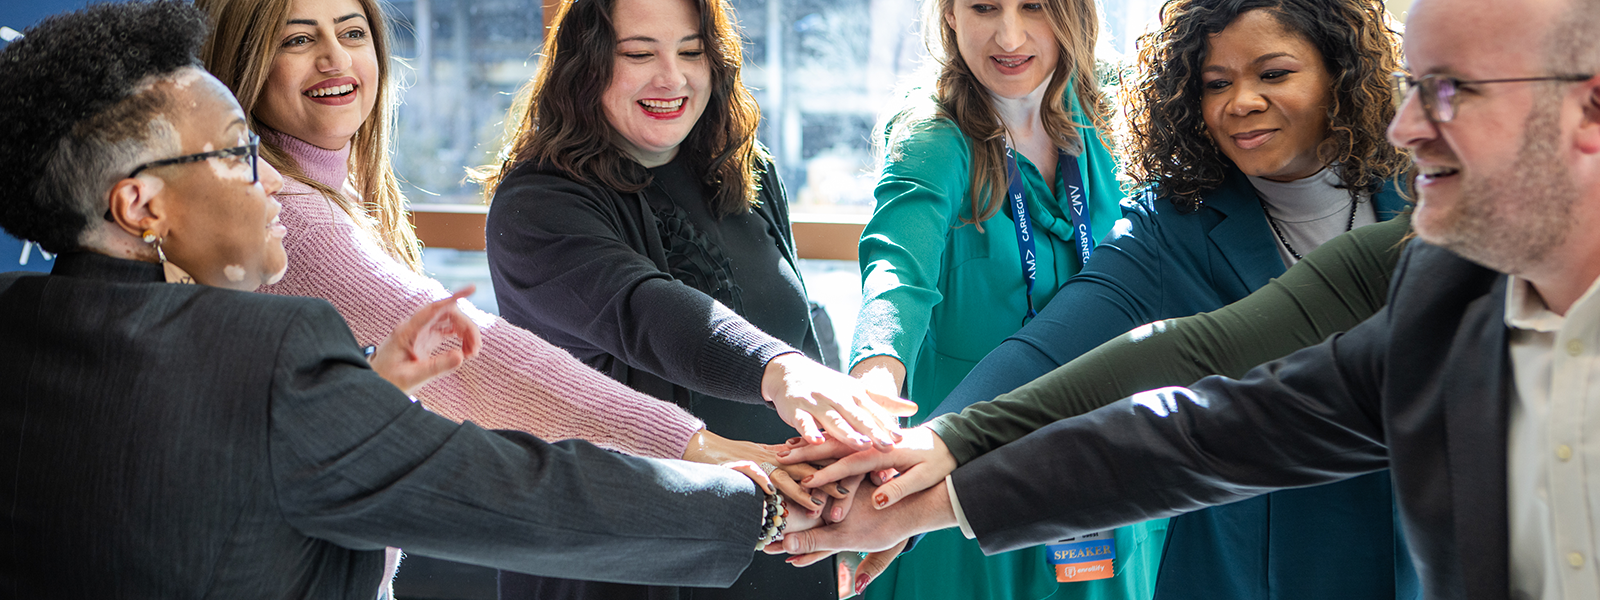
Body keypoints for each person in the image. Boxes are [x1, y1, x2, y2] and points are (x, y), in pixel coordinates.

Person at [781, 0, 1600, 598]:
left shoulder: (1432, 242)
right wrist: (917, 462)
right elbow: (1178, 392)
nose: (1410, 126)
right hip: (1247, 557)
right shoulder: (1196, 227)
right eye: (1216, 83)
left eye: (1452, 90)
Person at [0, 2, 820, 595]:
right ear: (139, 207)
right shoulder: (274, 345)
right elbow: (519, 496)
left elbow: (234, 470)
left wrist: (370, 394)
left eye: (352, 32)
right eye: (236, 155)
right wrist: (758, 508)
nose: (267, 185)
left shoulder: (21, 319)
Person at [475, 0, 914, 597]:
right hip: (622, 558)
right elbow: (647, 312)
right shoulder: (535, 205)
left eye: (691, 51)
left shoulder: (744, 170)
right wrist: (779, 372)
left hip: (774, 546)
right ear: (586, 64)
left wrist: (875, 482)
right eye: (638, 53)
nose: (672, 77)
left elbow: (803, 336)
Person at [842, 0, 1132, 596]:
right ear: (949, 13)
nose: (1010, 34)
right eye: (984, 6)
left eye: (1034, 7)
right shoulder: (932, 134)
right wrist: (873, 389)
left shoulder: (1109, 108)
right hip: (956, 475)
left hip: (1097, 460)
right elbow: (898, 267)